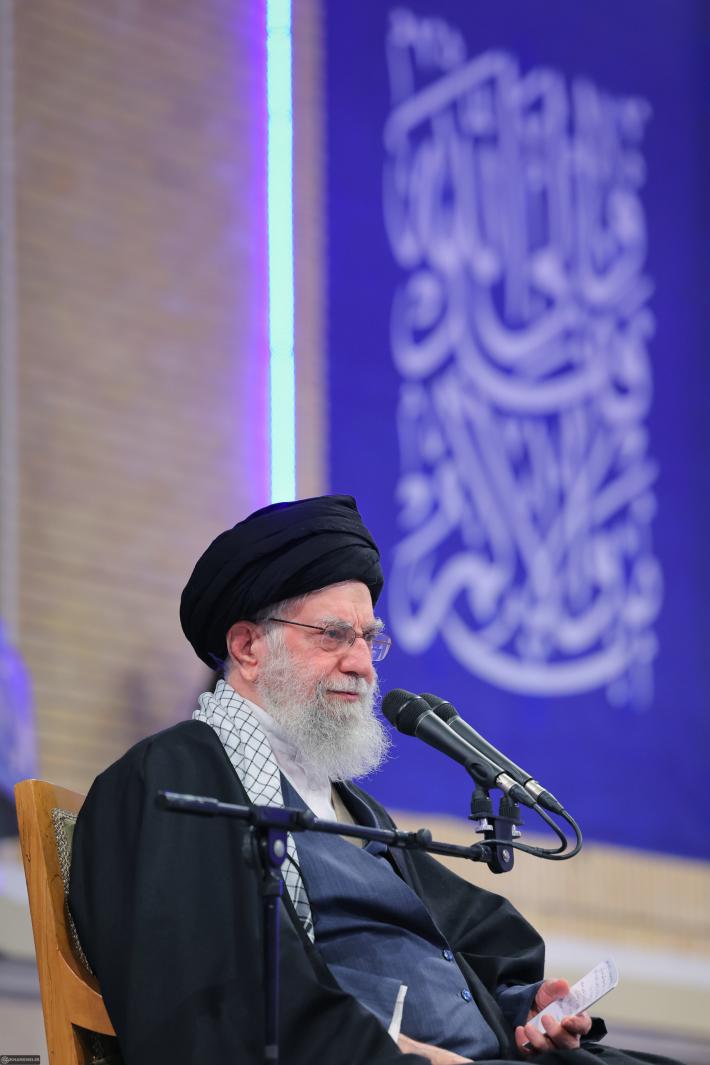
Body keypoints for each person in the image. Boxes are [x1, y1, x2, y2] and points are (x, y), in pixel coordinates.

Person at [69, 495, 684, 1065]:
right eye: (333, 636)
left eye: (368, 639)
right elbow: (219, 993)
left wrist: (520, 1007)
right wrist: (409, 1056)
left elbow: (453, 948)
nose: (362, 664)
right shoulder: (173, 777)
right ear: (249, 647)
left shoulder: (351, 806)